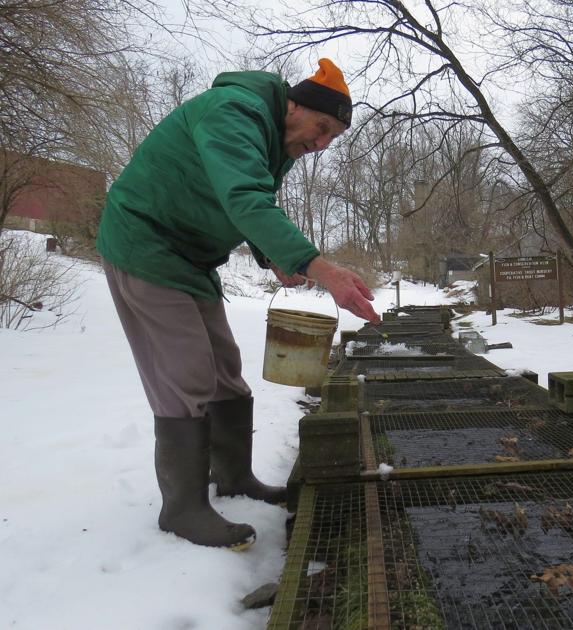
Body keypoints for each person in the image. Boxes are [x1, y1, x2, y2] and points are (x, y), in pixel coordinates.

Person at [96, 58, 380, 550]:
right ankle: (182, 508)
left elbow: (252, 202)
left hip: (192, 260)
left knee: (225, 367)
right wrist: (321, 268)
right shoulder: (233, 111)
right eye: (321, 128)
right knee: (186, 371)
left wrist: (273, 255)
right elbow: (244, 196)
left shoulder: (277, 142)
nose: (321, 144)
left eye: (332, 137)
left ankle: (234, 477)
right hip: (144, 244)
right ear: (294, 105)